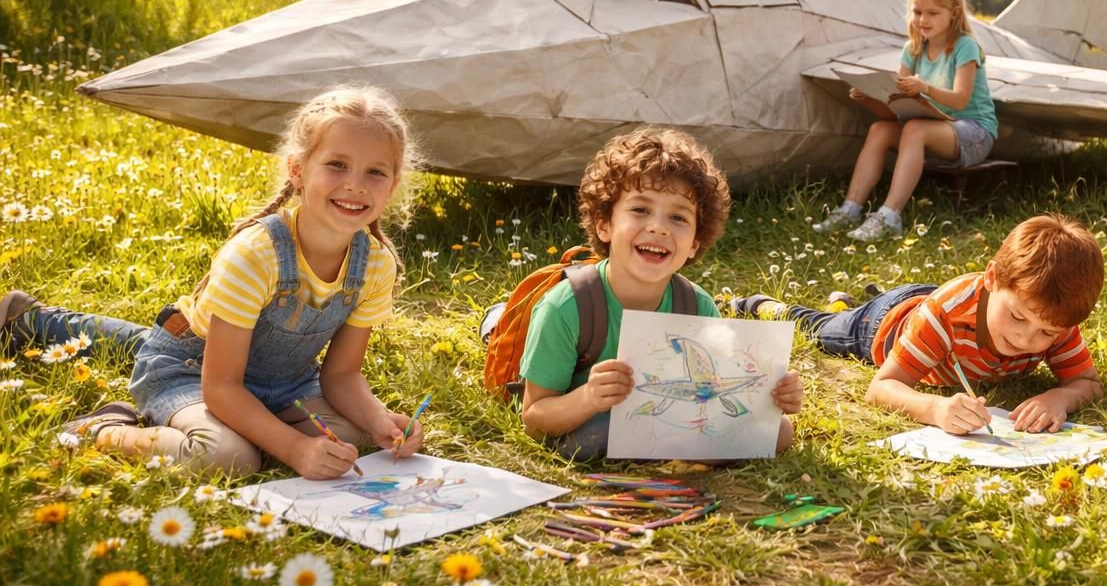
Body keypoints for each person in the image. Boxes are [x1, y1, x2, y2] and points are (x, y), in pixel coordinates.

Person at [1, 86, 426, 478]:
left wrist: (379, 420)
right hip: (193, 371)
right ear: (297, 170)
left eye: (375, 172)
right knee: (228, 458)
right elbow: (221, 386)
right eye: (336, 164)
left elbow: (343, 374)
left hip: (286, 384)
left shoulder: (374, 264)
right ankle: (105, 428)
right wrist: (294, 448)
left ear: (393, 185)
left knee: (350, 437)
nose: (355, 183)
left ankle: (35, 320)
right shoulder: (257, 255)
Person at [518, 128, 804, 461]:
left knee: (781, 432)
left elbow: (718, 389)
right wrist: (588, 398)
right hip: (587, 413)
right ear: (604, 224)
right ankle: (495, 321)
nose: (659, 227)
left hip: (670, 415)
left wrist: (773, 396)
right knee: (591, 440)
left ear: (695, 242)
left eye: (678, 217)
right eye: (640, 210)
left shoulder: (697, 307)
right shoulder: (566, 307)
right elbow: (534, 418)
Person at [732, 214, 1104, 435]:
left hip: (925, 302)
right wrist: (935, 410)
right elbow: (881, 388)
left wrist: (1058, 398)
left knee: (849, 311)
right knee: (822, 328)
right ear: (992, 278)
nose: (1026, 338)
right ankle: (768, 306)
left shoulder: (1052, 313)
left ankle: (851, 300)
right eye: (1018, 317)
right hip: (885, 324)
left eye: (1047, 334)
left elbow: (1088, 383)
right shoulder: (945, 316)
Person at [814, 0, 998, 242]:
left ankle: (890, 216)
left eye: (933, 13)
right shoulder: (912, 49)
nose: (923, 20)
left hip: (974, 133)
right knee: (880, 128)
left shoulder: (965, 46)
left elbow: (961, 99)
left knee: (914, 129)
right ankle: (850, 210)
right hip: (933, 127)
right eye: (917, 12)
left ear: (954, 12)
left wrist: (925, 87)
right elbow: (896, 111)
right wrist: (871, 98)